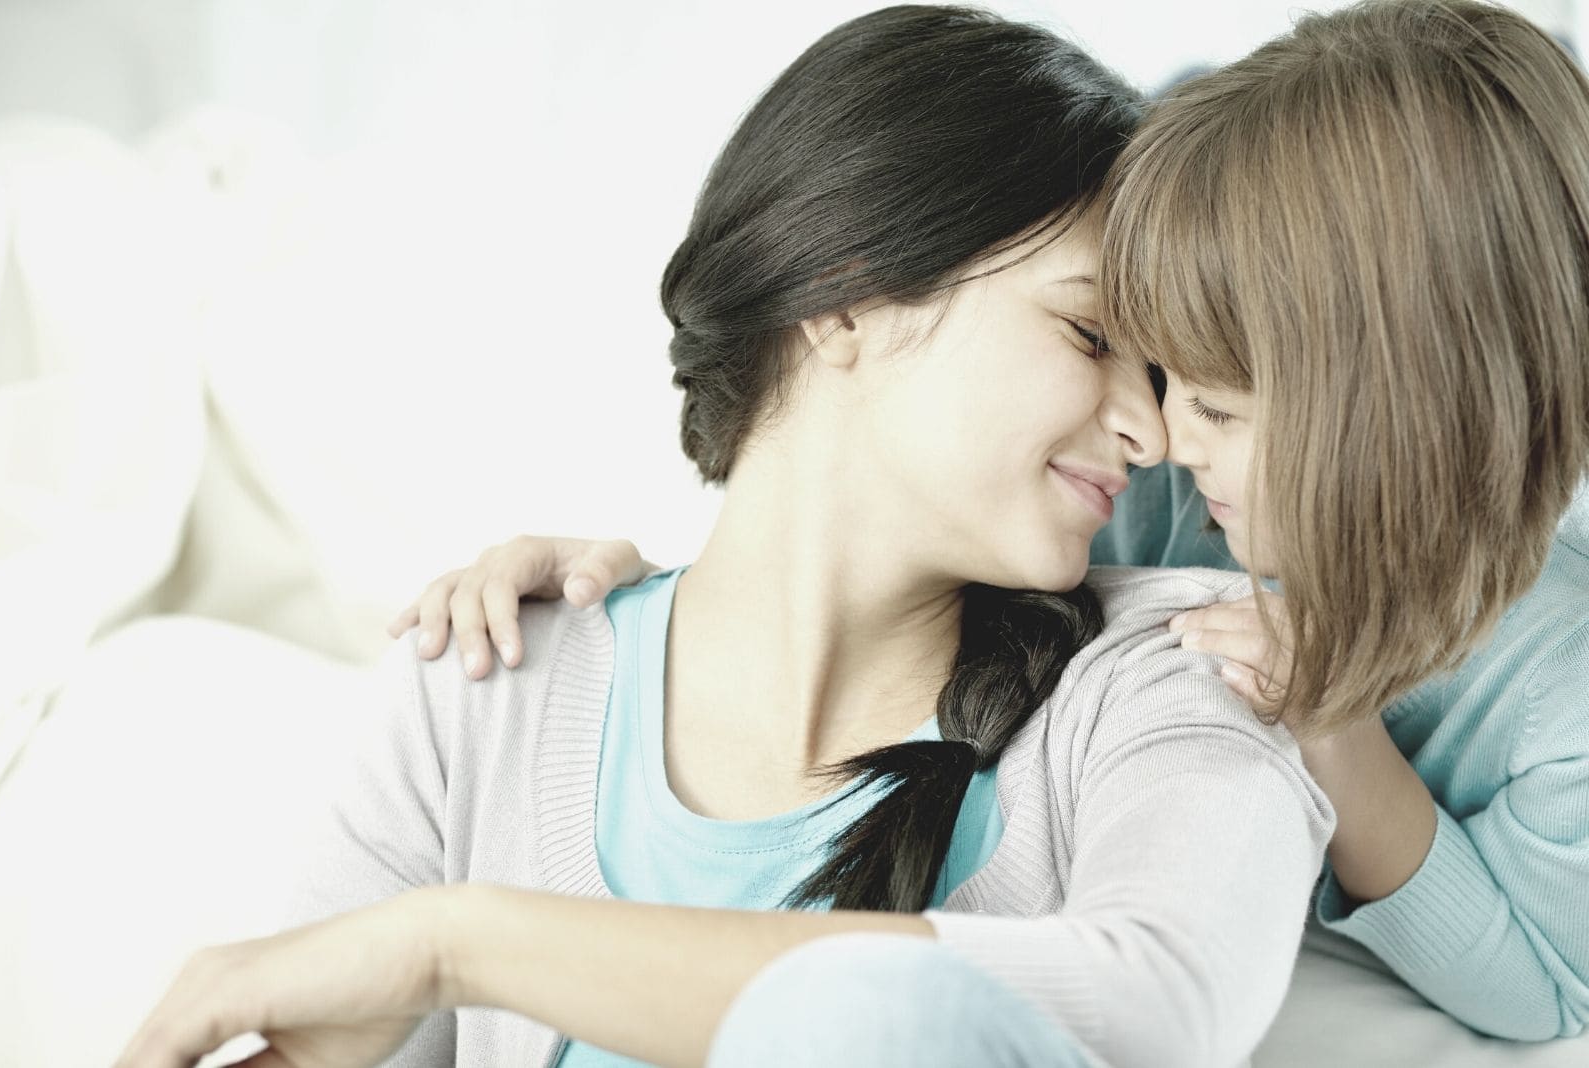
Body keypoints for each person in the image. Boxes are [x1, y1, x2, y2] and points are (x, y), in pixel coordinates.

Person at [117, 7, 1333, 1068]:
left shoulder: (1182, 676)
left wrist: (462, 945)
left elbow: (1153, 1010)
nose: (1152, 429)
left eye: (1164, 373)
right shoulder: (485, 685)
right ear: (849, 296)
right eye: (1087, 338)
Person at [406, 0, 1589, 1045]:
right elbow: (906, 542)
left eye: (1213, 404)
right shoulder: (1167, 510)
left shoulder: (1557, 684)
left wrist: (1338, 736)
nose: (1163, 439)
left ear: (1399, 421)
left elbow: (1546, 989)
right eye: (1150, 375)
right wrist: (650, 607)